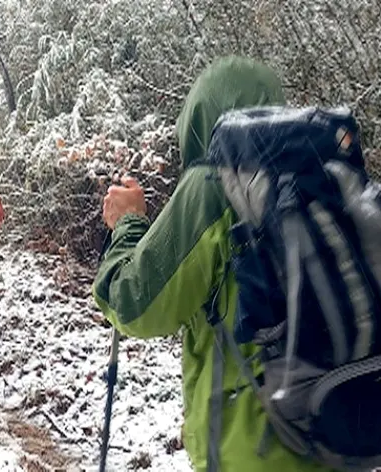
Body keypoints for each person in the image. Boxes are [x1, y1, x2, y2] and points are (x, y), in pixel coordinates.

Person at [93, 56, 337, 471]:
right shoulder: (325, 179)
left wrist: (128, 223)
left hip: (251, 454)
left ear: (197, 120)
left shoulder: (213, 185)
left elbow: (133, 305)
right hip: (336, 437)